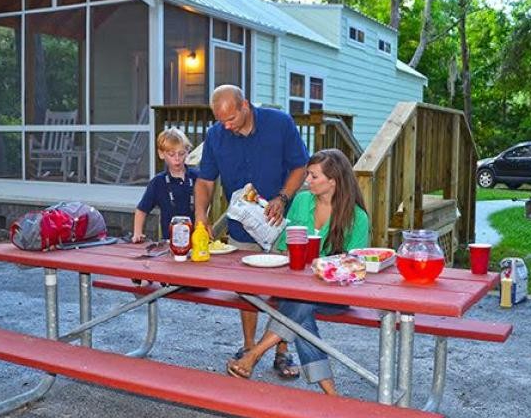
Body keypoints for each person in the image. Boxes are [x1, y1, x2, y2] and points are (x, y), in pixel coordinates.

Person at [226, 149, 370, 395]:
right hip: (296, 290)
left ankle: (255, 353)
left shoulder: (357, 218)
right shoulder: (302, 201)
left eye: (314, 177)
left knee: (302, 303)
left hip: (335, 296)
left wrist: (320, 268)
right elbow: (283, 246)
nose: (307, 181)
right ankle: (331, 395)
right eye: (308, 175)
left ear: (333, 180)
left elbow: (354, 267)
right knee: (302, 317)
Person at [195, 84, 309, 379]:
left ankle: (282, 351)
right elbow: (206, 181)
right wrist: (200, 216)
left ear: (245, 105)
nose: (227, 126)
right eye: (221, 121)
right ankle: (249, 346)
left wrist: (283, 197)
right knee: (247, 289)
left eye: (231, 119)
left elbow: (300, 166)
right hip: (242, 225)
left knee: (285, 289)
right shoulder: (215, 135)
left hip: (280, 222)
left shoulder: (279, 123)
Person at [132, 127, 198, 242]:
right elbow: (141, 210)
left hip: (197, 241)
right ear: (161, 154)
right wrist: (137, 233)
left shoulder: (197, 177)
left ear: (188, 152)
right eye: (171, 154)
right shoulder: (158, 182)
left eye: (181, 153)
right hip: (169, 242)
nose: (177, 159)